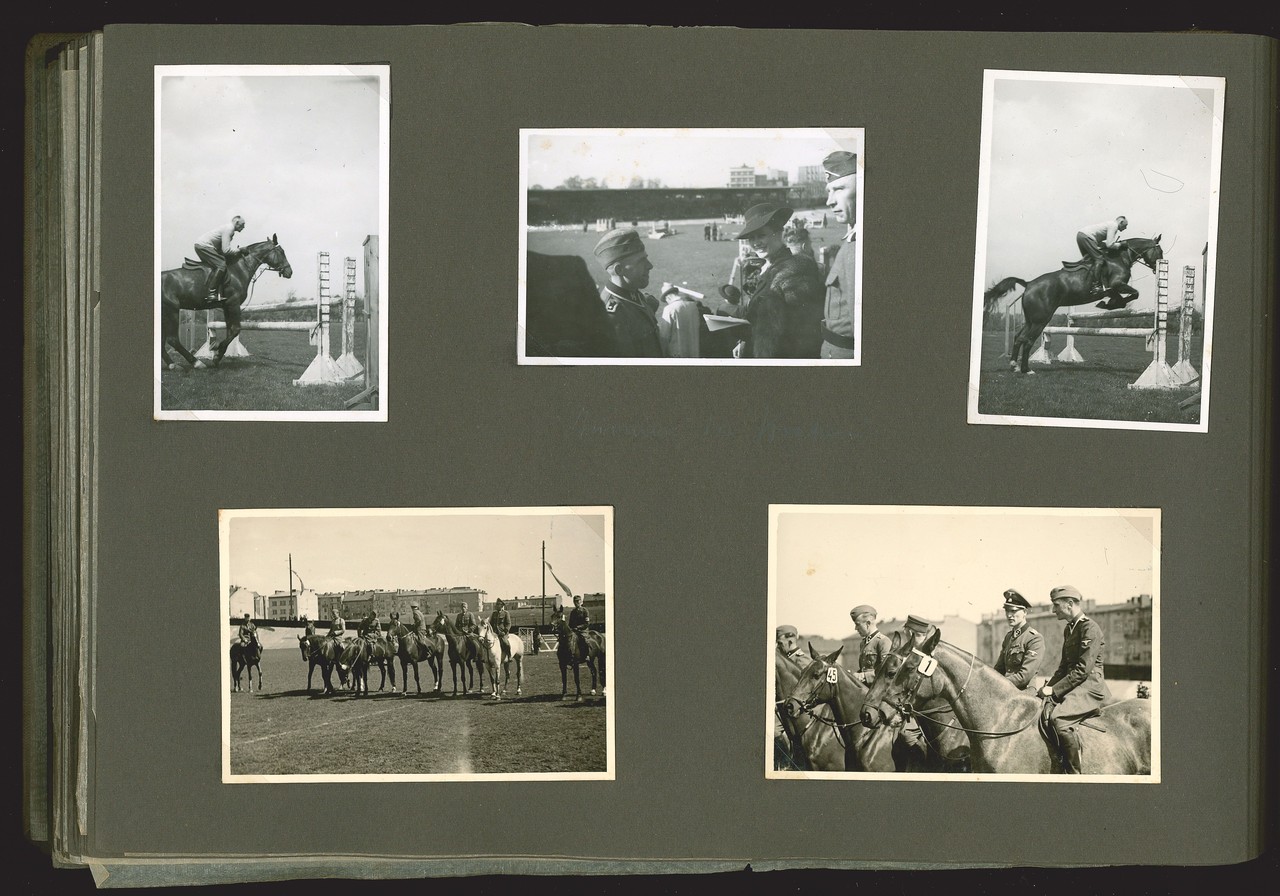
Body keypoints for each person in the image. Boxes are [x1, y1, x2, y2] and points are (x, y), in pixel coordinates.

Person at [723, 202, 823, 358]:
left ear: (778, 233)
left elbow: (801, 333)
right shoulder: (770, 268)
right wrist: (746, 341)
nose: (756, 242)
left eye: (761, 235)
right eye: (752, 237)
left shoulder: (794, 272)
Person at [1039, 585, 1112, 773]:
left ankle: (1074, 773)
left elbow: (1082, 670)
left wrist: (1054, 691)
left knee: (1059, 718)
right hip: (1075, 685)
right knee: (1041, 709)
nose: (1053, 610)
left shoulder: (1090, 629)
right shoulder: (1070, 629)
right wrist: (1047, 688)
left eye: (1056, 605)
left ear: (1070, 604)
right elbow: (1064, 668)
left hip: (1090, 686)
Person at [592, 228, 663, 357]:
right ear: (619, 270)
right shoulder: (612, 317)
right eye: (641, 261)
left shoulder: (636, 296)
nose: (650, 265)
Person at [819, 151, 859, 359]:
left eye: (839, 189)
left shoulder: (858, 246)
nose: (829, 201)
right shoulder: (852, 239)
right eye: (829, 191)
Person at [993, 589, 1044, 691]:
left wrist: (997, 683)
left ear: (1024, 612)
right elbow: (999, 669)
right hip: (1006, 689)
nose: (1009, 615)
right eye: (1007, 610)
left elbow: (1024, 676)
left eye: (1013, 611)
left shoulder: (1034, 638)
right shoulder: (1008, 637)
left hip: (1024, 693)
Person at [194, 215, 245, 304]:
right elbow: (226, 250)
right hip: (203, 246)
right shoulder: (229, 229)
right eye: (242, 224)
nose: (244, 227)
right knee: (221, 265)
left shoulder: (229, 229)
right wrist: (239, 250)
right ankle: (211, 293)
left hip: (203, 246)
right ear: (236, 223)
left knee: (220, 263)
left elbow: (222, 250)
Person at [1076, 215, 1128, 295]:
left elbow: (1101, 243)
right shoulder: (1114, 226)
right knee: (1099, 259)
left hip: (1081, 236)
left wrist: (1113, 245)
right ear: (1121, 222)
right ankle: (1096, 286)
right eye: (1125, 225)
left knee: (1090, 260)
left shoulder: (1109, 224)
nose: (1126, 228)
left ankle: (1087, 283)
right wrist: (1121, 245)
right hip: (1087, 237)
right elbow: (1109, 245)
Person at [848, 604, 892, 686]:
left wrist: (863, 676)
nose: (855, 628)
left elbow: (886, 671)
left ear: (868, 623)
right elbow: (864, 669)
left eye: (858, 624)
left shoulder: (883, 641)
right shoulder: (863, 643)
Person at [656, 286, 704, 358]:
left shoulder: (669, 308)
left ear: (668, 297)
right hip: (694, 351)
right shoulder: (693, 306)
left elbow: (664, 335)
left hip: (676, 353)